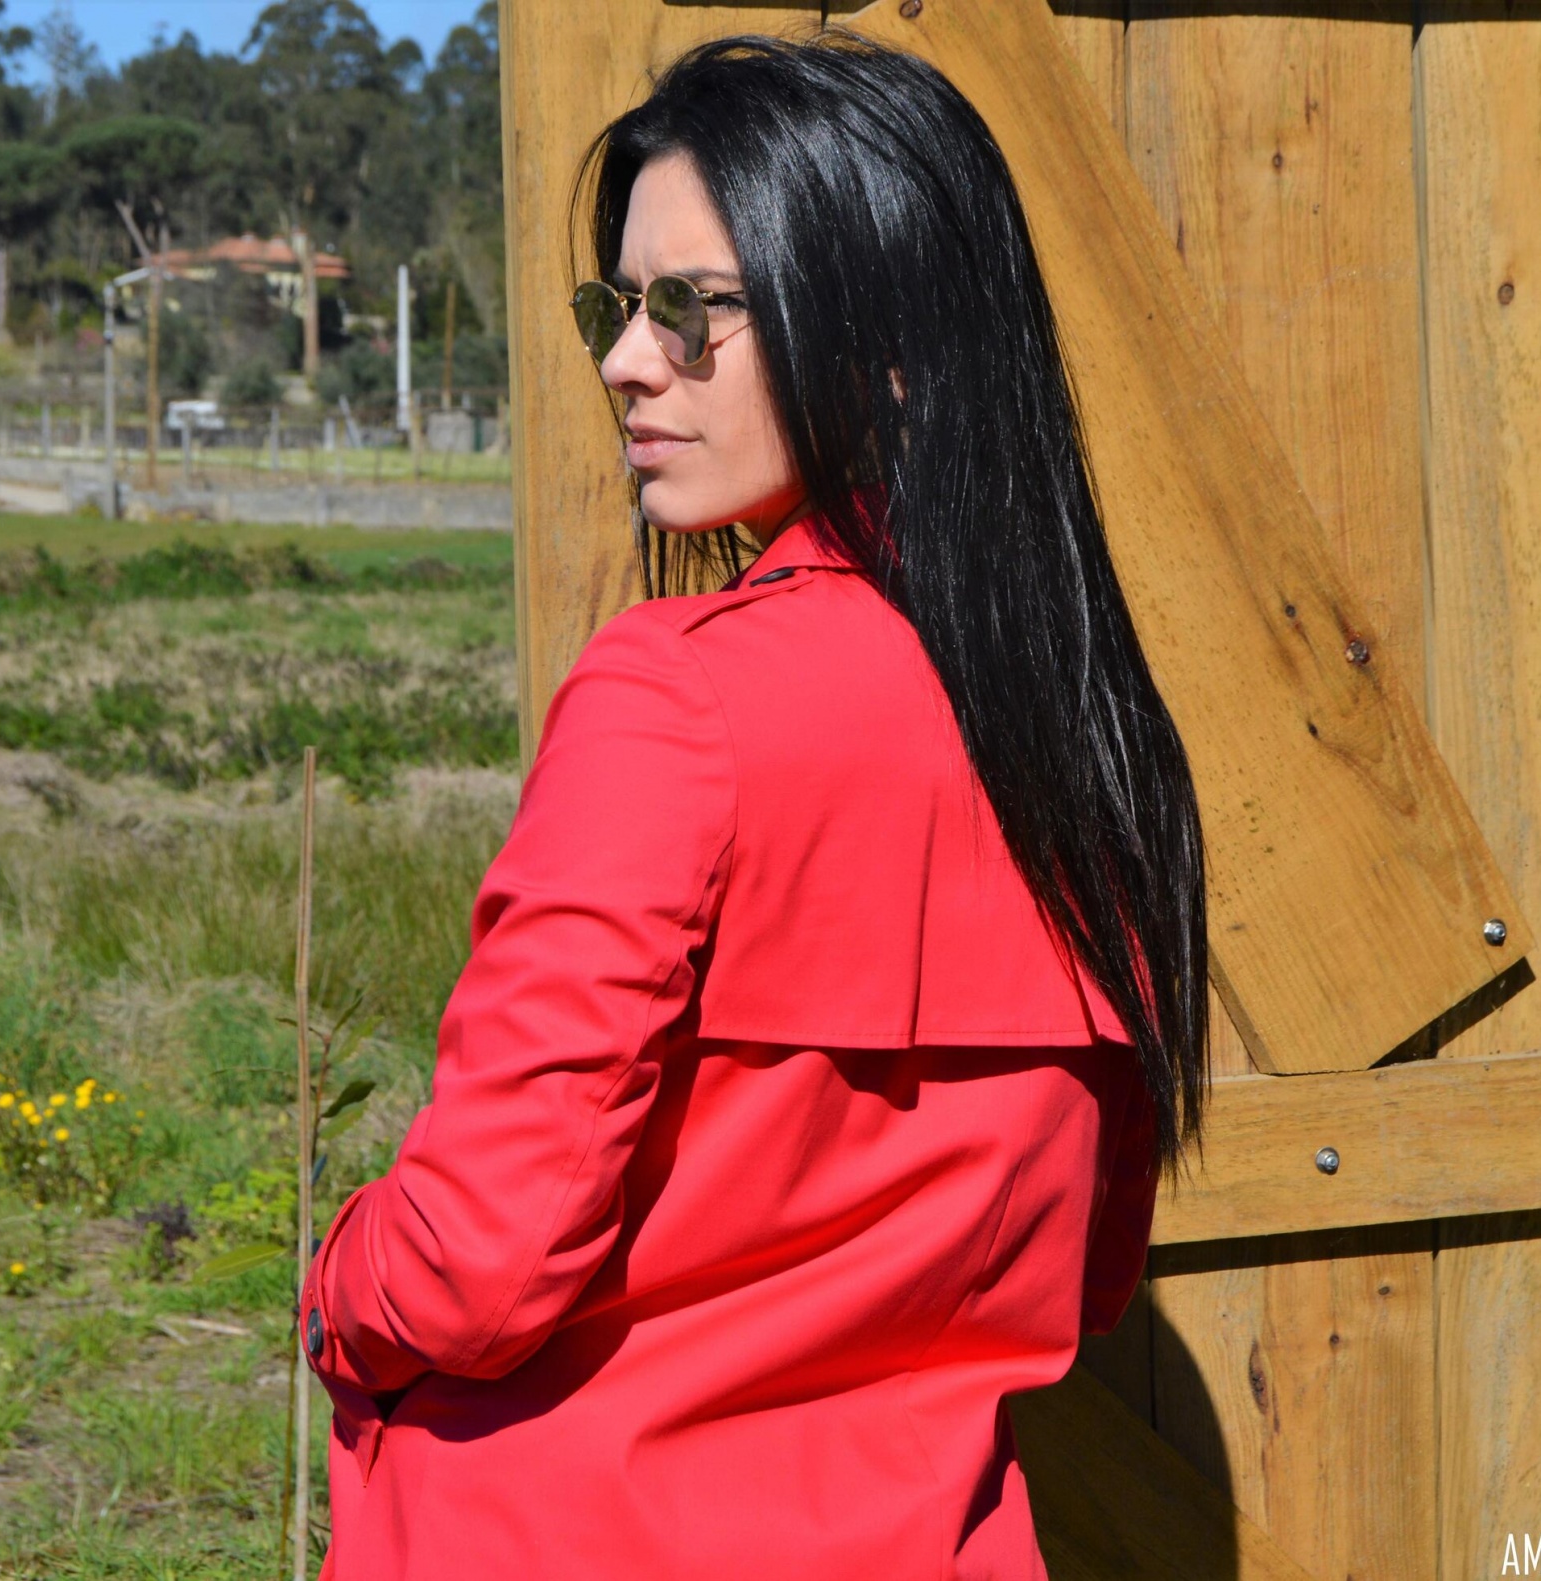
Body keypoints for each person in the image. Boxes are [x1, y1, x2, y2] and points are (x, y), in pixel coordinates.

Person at [298, 29, 1209, 1580]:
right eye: (619, 307)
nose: (625, 362)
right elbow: (1090, 1265)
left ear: (889, 338)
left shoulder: (673, 702)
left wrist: (338, 1282)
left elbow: (473, 1261)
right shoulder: (1093, 735)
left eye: (693, 309)